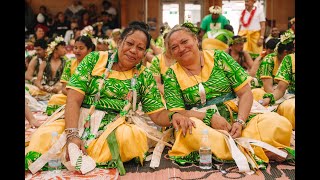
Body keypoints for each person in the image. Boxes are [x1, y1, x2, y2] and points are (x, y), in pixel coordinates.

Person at [25, 21, 195, 175]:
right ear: (119, 42)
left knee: (131, 139)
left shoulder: (144, 75)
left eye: (141, 48)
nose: (133, 50)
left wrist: (175, 116)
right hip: (80, 117)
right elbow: (74, 99)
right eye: (129, 43)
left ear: (145, 53)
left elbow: (157, 115)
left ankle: (79, 156)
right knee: (44, 137)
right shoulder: (94, 59)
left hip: (116, 124)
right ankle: (76, 150)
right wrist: (72, 134)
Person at [163, 25, 293, 169]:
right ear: (171, 53)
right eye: (174, 47)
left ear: (195, 40)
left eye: (184, 42)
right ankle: (252, 149)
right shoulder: (171, 75)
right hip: (201, 122)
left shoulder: (219, 57)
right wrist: (209, 118)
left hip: (236, 114)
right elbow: (179, 112)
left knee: (279, 124)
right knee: (191, 133)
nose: (181, 48)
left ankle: (230, 149)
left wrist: (240, 122)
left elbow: (245, 93)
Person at [45, 35, 95, 116]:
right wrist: (75, 97)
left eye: (81, 48)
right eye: (75, 48)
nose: (77, 51)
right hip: (72, 96)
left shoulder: (95, 64)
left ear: (89, 50)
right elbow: (64, 88)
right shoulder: (70, 63)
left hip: (89, 97)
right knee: (55, 99)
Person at [251, 30, 294, 99]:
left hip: (281, 91)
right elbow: (268, 89)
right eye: (292, 52)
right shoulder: (269, 60)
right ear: (286, 52)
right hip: (263, 90)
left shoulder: (291, 60)